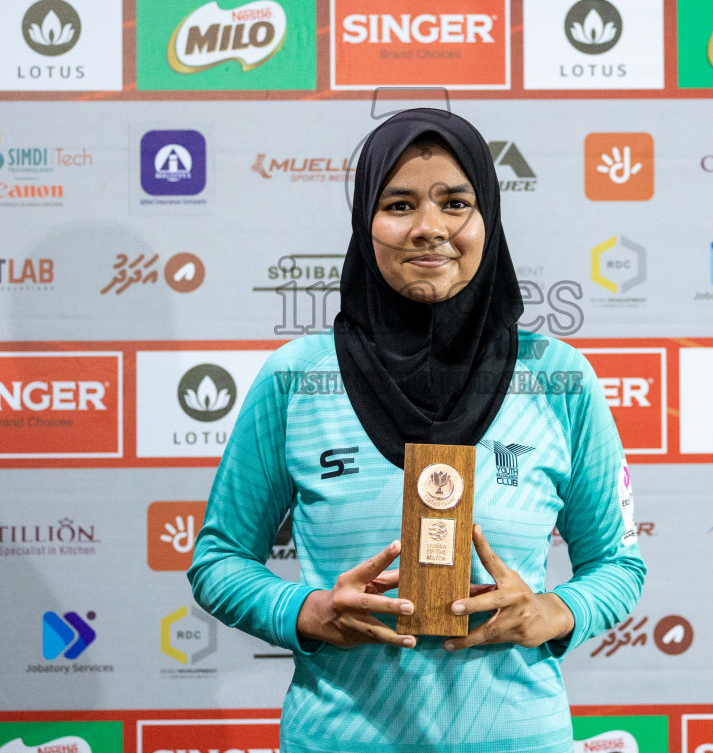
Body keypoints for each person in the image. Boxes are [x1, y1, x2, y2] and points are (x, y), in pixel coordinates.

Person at [189, 107, 646, 753]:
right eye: (399, 205)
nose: (429, 228)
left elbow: (618, 565)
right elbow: (217, 561)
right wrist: (306, 612)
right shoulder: (297, 377)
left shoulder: (560, 378)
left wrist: (552, 612)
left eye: (455, 202)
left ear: (488, 218)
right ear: (364, 224)